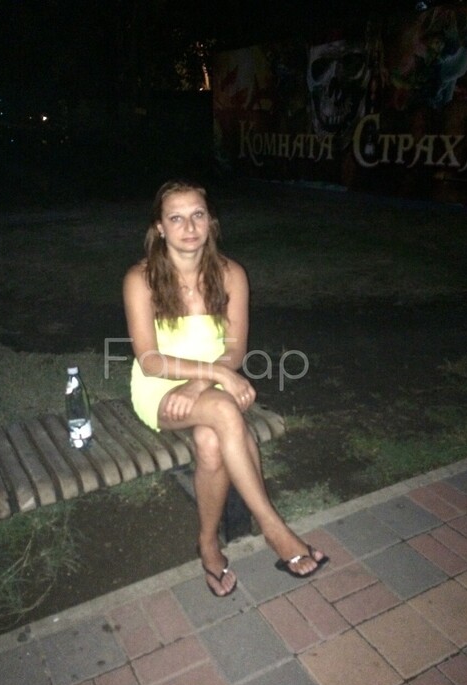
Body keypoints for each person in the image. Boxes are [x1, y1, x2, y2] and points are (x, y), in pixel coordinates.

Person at [123, 180, 329, 597]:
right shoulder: (140, 279)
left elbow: (234, 351)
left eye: (197, 215)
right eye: (176, 218)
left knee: (211, 441)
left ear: (211, 221)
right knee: (223, 410)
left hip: (214, 383)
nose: (189, 227)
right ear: (159, 227)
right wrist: (216, 378)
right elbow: (149, 360)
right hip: (159, 389)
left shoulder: (231, 274)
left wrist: (205, 381)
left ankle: (208, 544)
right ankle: (274, 528)